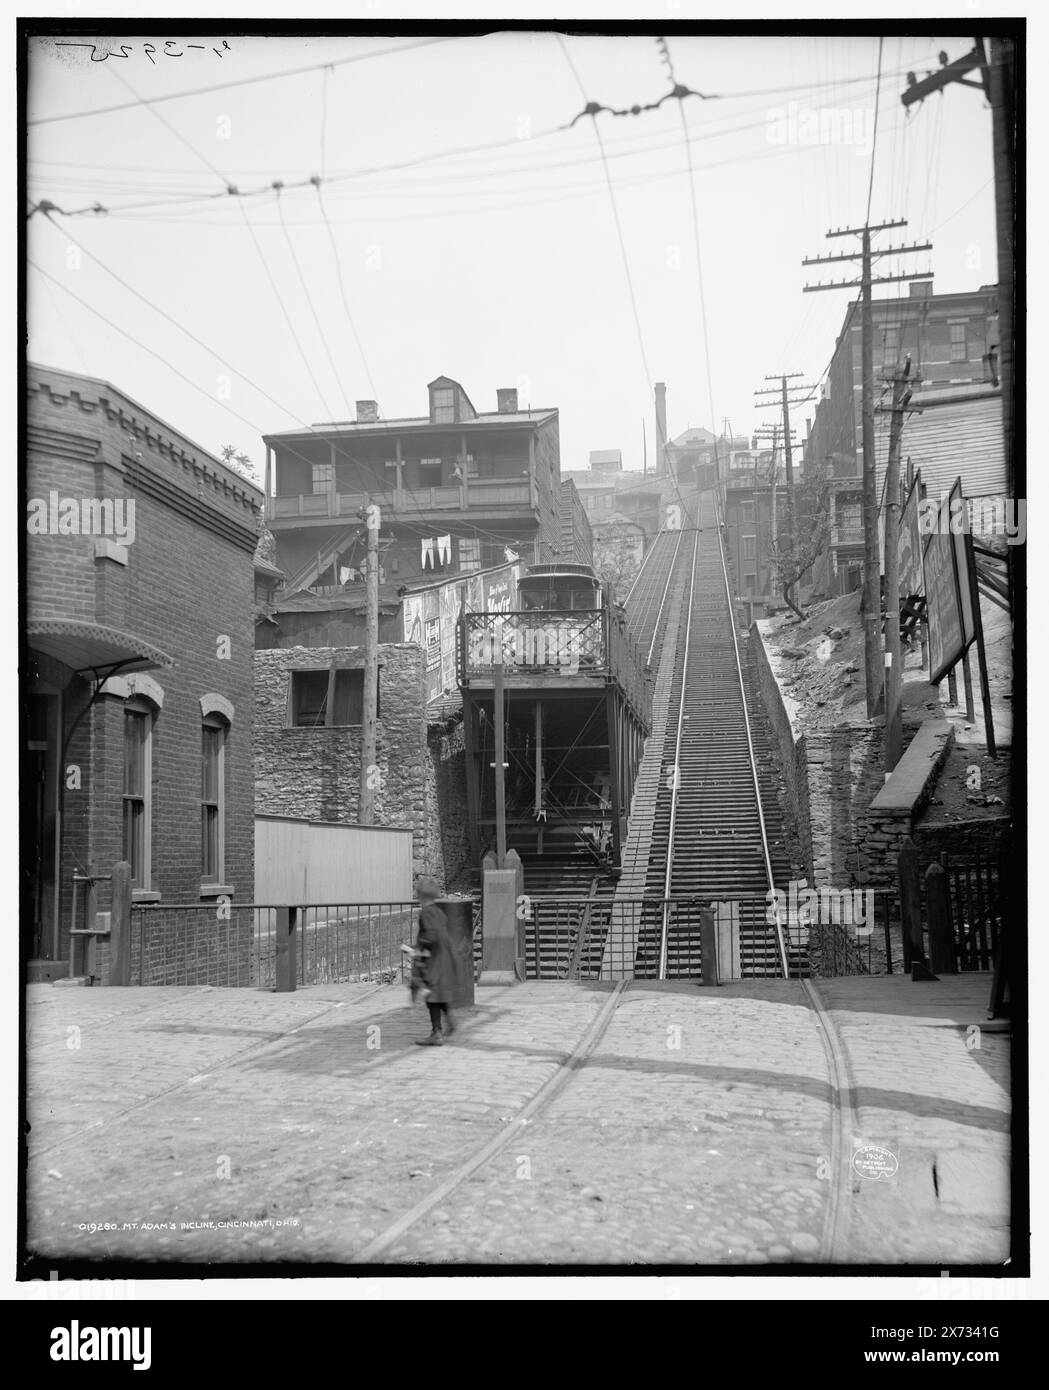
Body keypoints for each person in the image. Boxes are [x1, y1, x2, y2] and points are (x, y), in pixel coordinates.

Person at [412, 876, 456, 1046]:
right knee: (439, 995)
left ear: (420, 895)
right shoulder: (439, 912)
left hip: (433, 960)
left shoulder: (426, 913)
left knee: (431, 998)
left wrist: (419, 948)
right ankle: (450, 1021)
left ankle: (436, 1032)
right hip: (444, 958)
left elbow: (430, 935)